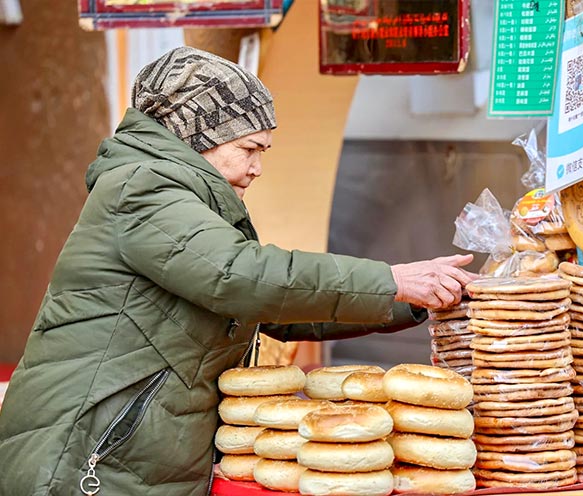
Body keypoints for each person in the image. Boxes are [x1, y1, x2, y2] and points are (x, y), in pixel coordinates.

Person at [0, 47, 476, 496]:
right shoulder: (141, 188)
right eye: (250, 148)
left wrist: (407, 300)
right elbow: (239, 277)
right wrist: (391, 278)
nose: (257, 167)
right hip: (85, 456)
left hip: (133, 457)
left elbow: (273, 307)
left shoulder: (188, 200)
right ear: (199, 133)